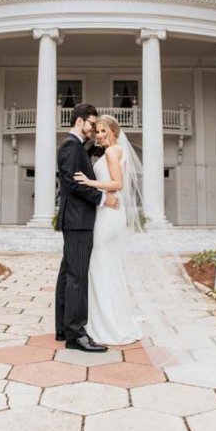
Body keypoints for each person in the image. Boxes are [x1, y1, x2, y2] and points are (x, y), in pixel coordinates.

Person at [74, 115, 142, 345]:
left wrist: (89, 182)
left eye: (104, 131)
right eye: (98, 132)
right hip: (109, 213)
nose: (100, 136)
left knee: (100, 266)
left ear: (114, 131)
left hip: (110, 215)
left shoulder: (113, 152)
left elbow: (117, 184)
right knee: (107, 267)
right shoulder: (111, 151)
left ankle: (107, 325)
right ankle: (109, 320)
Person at [54, 103, 117, 353]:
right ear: (79, 122)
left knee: (68, 275)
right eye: (92, 123)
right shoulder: (71, 146)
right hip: (78, 221)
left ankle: (63, 328)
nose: (94, 129)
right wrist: (103, 199)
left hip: (75, 220)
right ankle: (76, 335)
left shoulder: (78, 147)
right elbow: (71, 183)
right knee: (77, 278)